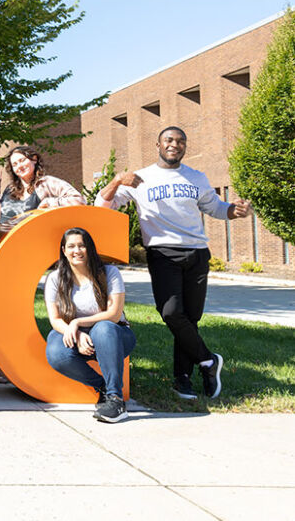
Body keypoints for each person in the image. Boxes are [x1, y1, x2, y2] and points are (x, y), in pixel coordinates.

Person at [95, 126, 251, 400]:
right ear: (158, 144)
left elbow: (215, 207)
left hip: (197, 252)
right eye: (169, 140)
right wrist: (118, 180)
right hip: (162, 252)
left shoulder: (196, 177)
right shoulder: (141, 178)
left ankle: (183, 380)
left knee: (189, 319)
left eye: (180, 141)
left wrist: (234, 211)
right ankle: (208, 360)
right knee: (170, 312)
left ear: (184, 147)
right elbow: (101, 206)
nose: (174, 145)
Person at [44, 228, 136, 423]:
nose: (76, 250)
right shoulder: (55, 278)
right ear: (63, 250)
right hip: (77, 335)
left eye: (81, 245)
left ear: (89, 249)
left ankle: (115, 399)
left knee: (103, 328)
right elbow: (55, 319)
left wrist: (77, 322)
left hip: (114, 335)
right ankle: (102, 387)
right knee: (55, 351)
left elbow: (113, 315)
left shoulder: (109, 273)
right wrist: (76, 335)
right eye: (71, 246)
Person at [0, 144, 85, 235]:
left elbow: (79, 200)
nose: (19, 166)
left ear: (34, 159)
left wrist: (50, 202)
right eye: (15, 164)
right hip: (3, 242)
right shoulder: (9, 189)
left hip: (31, 241)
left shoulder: (46, 183)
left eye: (22, 160)